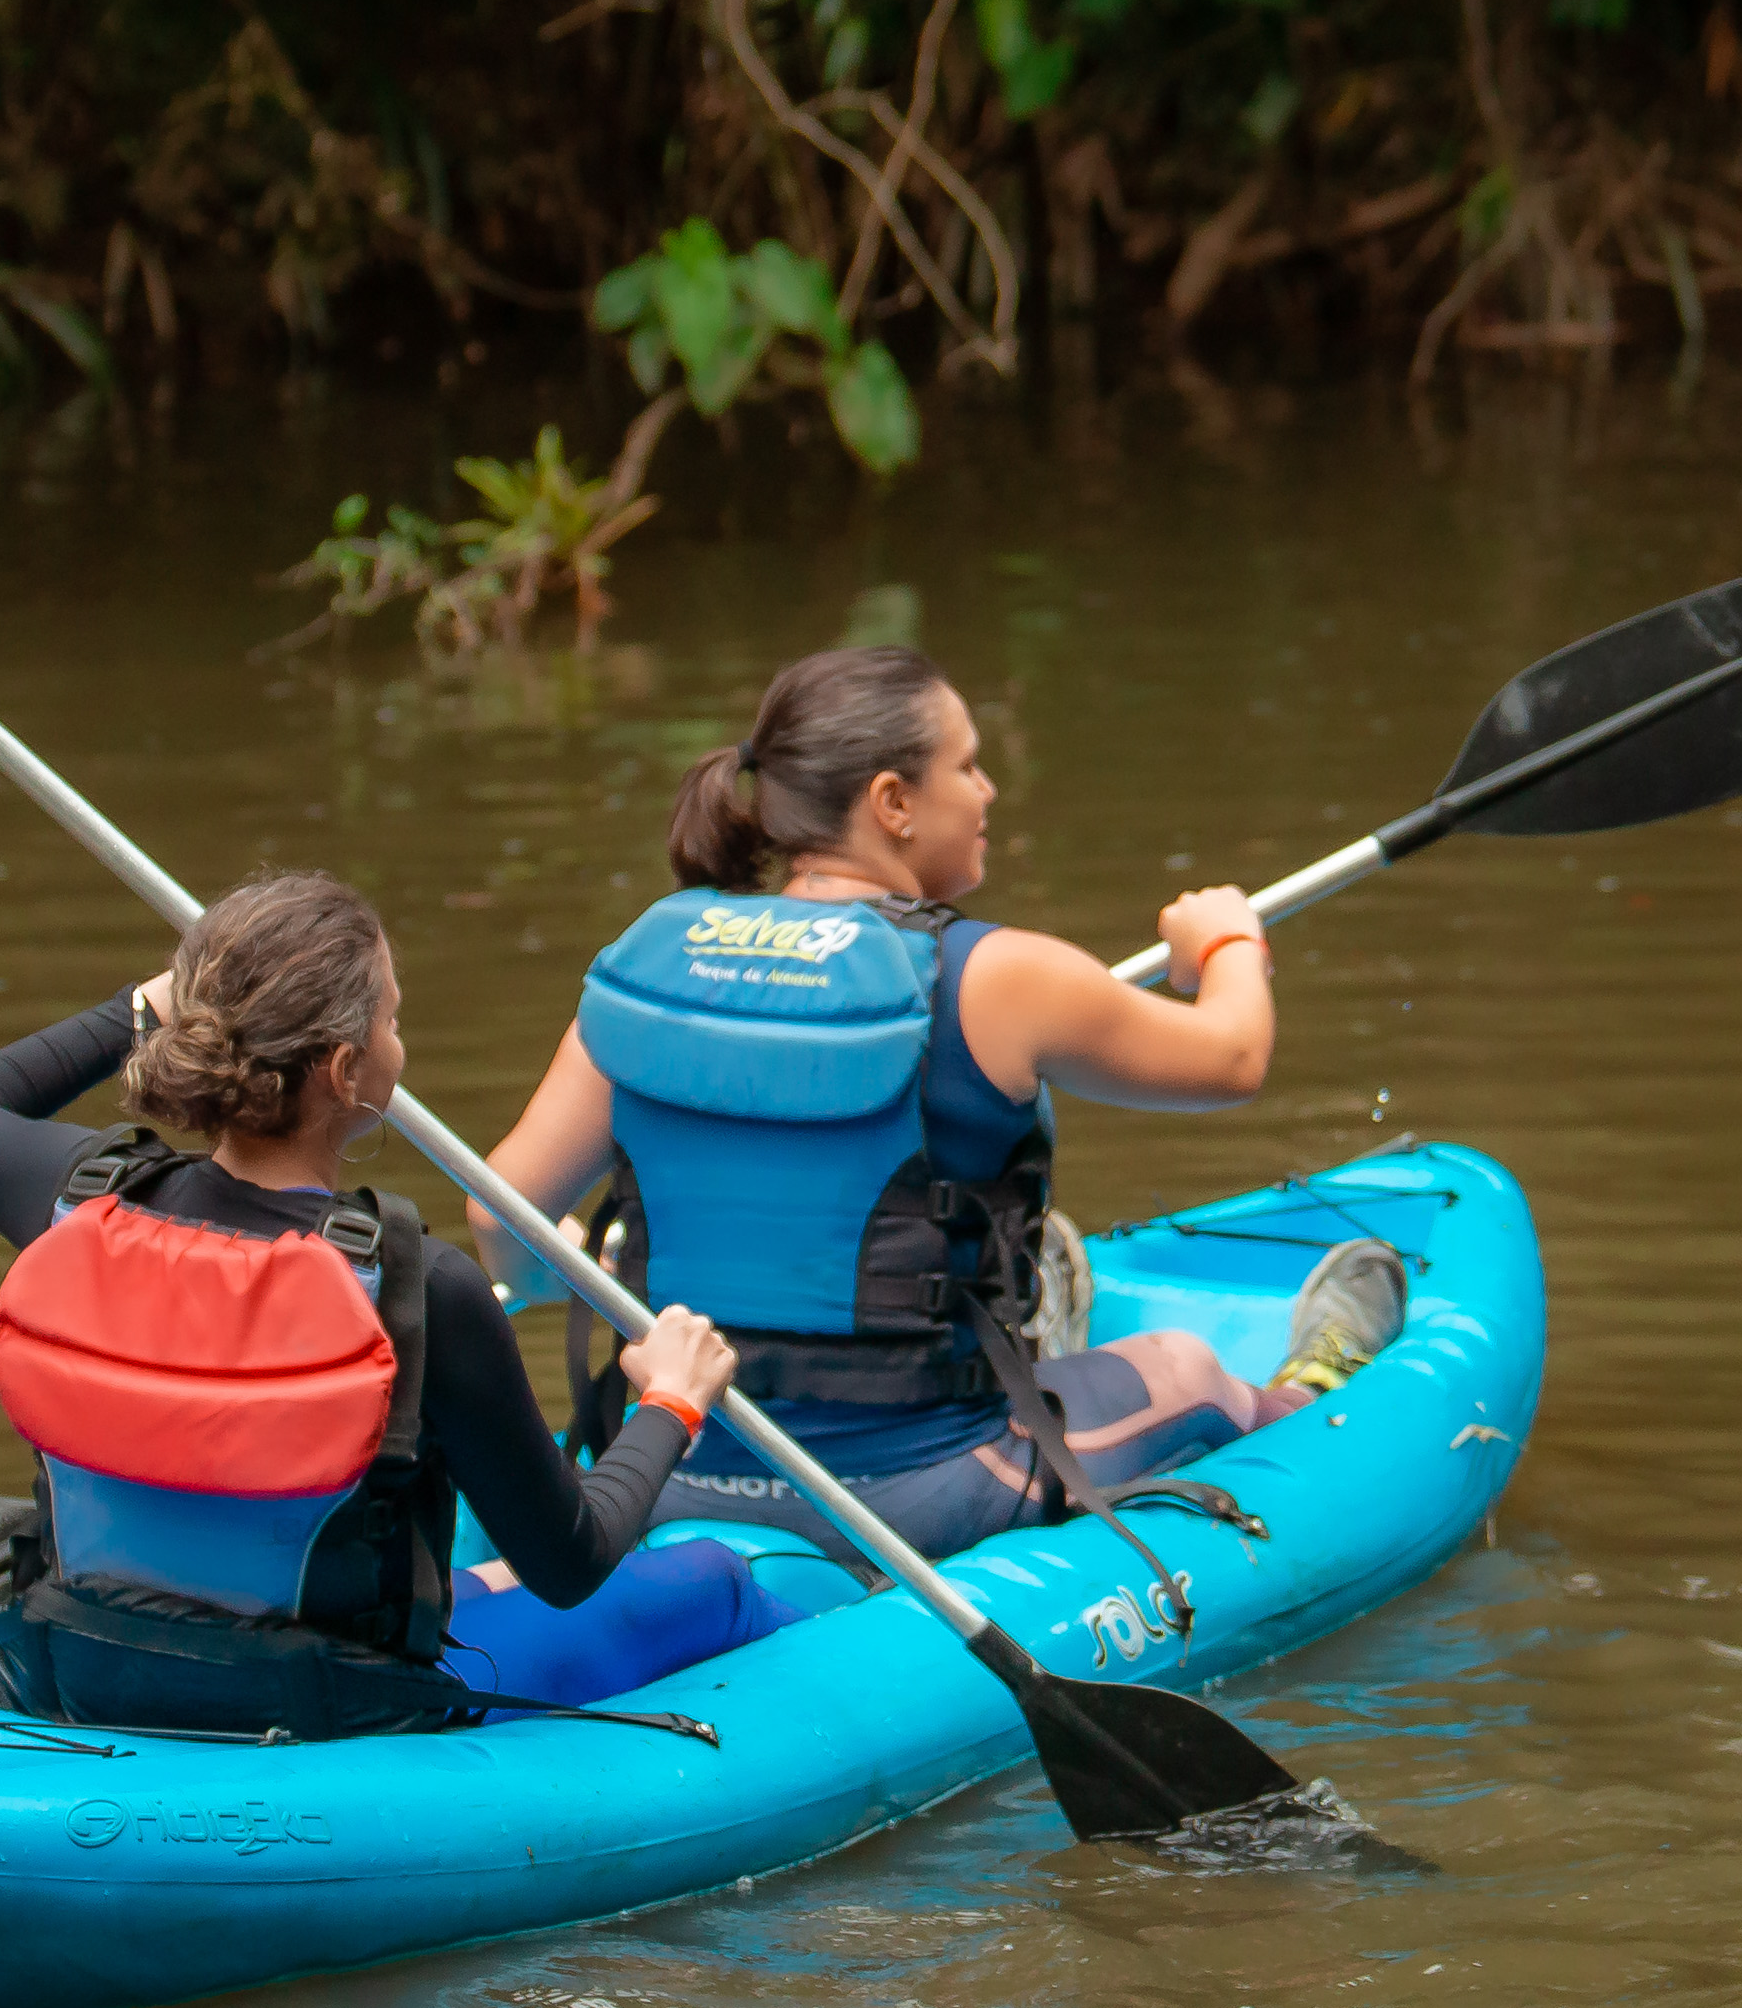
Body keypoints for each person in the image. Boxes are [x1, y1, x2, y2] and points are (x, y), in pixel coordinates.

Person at [486, 641, 1409, 1559]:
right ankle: (1313, 1394)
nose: (988, 792)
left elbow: (505, 1213)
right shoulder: (998, 977)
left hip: (669, 1472)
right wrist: (1225, 942)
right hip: (924, 1492)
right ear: (893, 803)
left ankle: (1030, 1322)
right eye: (967, 766)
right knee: (1189, 1369)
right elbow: (1235, 1059)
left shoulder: (651, 972)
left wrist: (542, 1270)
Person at [0, 868, 749, 1741]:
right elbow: (570, 1562)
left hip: (84, 1667)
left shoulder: (77, 1205)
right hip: (322, 1710)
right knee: (709, 1578)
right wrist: (670, 1402)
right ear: (347, 1071)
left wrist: (154, 1003)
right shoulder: (418, 1289)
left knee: (482, 1575)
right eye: (392, 1019)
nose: (399, 1040)